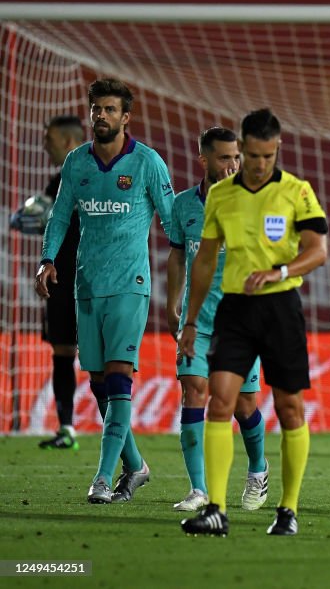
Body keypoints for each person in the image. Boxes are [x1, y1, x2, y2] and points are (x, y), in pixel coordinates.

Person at [178, 108, 328, 537]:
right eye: (253, 156)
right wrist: (190, 321)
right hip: (236, 310)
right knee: (220, 402)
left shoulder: (297, 192)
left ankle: (288, 509)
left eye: (268, 155)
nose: (260, 164)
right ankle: (215, 508)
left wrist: (280, 271)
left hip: (281, 306)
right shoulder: (222, 197)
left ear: (277, 148)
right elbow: (205, 259)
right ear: (240, 150)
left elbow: (318, 251)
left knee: (289, 407)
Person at [35, 78, 175, 503]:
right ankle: (136, 465)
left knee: (118, 377)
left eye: (110, 109)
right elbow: (59, 217)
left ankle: (102, 478)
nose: (101, 116)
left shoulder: (148, 163)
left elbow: (172, 225)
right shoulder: (76, 163)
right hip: (86, 285)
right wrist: (47, 259)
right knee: (99, 383)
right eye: (96, 109)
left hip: (130, 287)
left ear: (125, 117)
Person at [166, 127, 269, 512]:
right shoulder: (182, 206)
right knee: (194, 390)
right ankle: (199, 489)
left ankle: (258, 469)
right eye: (225, 157)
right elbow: (177, 255)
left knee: (243, 406)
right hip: (197, 321)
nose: (233, 165)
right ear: (204, 160)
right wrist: (171, 302)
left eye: (237, 157)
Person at [32, 116, 85, 450]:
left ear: (68, 141)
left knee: (107, 360)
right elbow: (49, 223)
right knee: (63, 350)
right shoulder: (56, 183)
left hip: (98, 279)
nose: (43, 144)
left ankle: (120, 430)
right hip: (60, 278)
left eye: (48, 138)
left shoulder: (97, 178)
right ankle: (67, 428)